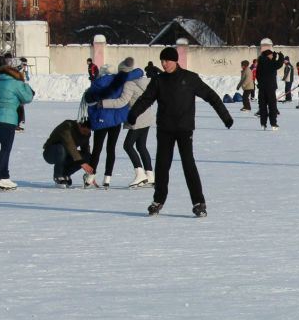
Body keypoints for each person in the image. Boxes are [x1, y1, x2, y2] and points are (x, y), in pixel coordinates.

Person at [127, 46, 233, 218]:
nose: (164, 64)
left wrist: (225, 116)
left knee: (188, 165)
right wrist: (133, 114)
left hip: (184, 129)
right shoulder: (159, 80)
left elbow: (211, 95)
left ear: (175, 60)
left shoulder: (190, 78)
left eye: (167, 60)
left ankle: (199, 202)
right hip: (165, 129)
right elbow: (145, 99)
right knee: (162, 166)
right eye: (162, 60)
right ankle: (158, 200)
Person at [0, 55, 34, 190]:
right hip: (7, 119)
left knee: (5, 147)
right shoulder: (15, 82)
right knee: (6, 148)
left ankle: (4, 177)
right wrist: (27, 87)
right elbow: (27, 97)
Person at [107, 57, 155, 187]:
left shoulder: (129, 84)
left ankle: (140, 174)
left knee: (127, 145)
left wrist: (103, 103)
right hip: (147, 117)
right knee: (141, 146)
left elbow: (121, 101)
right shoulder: (143, 81)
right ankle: (150, 175)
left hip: (137, 118)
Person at [85, 64, 131, 188]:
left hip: (101, 119)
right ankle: (107, 178)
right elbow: (138, 72)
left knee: (97, 149)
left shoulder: (97, 82)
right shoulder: (120, 81)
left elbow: (90, 101)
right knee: (111, 149)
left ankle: (91, 175)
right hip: (115, 120)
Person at [42, 118, 96, 187]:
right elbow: (69, 144)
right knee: (61, 149)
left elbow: (85, 150)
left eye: (88, 132)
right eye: (84, 131)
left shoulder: (87, 133)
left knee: (87, 156)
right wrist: (82, 162)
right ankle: (58, 176)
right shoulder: (67, 126)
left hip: (67, 154)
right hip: (51, 153)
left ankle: (65, 174)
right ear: (79, 125)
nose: (86, 133)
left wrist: (90, 173)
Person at [255, 48, 283, 130]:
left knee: (262, 106)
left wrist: (274, 57)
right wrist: (281, 56)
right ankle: (273, 123)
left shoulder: (260, 63)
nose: (272, 56)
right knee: (272, 106)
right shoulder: (270, 63)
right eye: (271, 55)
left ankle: (263, 123)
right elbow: (278, 64)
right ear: (268, 55)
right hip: (270, 88)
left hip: (262, 88)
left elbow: (258, 75)